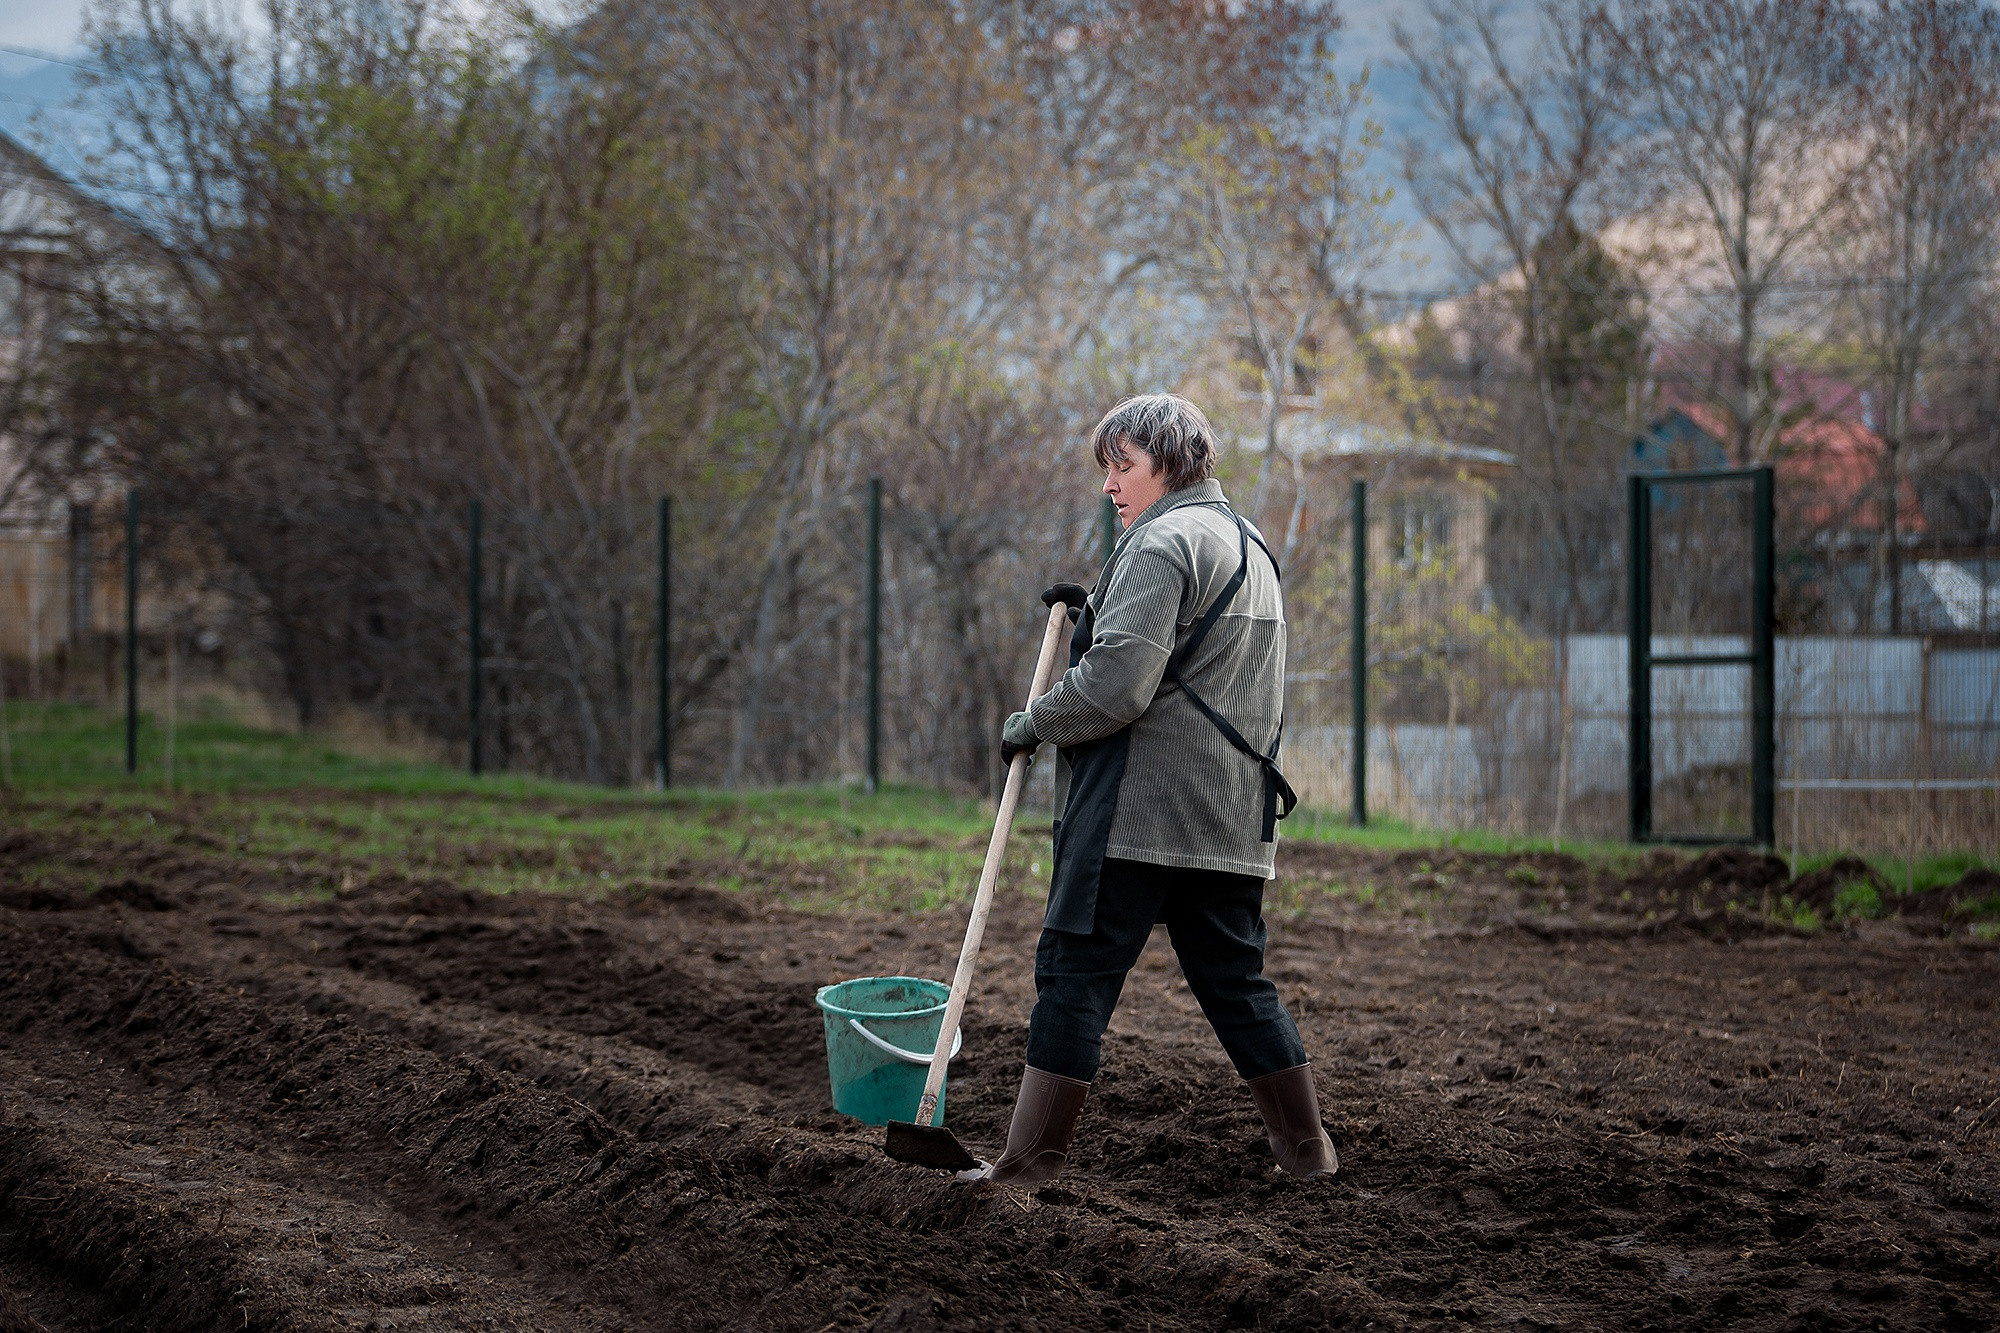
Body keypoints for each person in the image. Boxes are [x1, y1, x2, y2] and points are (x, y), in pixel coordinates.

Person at [963, 392, 1338, 1187]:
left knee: (1073, 975)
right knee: (1237, 985)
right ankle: (1310, 1155)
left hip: (1135, 818)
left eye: (1122, 466)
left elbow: (1115, 688)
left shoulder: (1159, 542)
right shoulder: (1252, 547)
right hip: (1229, 822)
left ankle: (1025, 1168)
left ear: (1168, 463)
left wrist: (1034, 720)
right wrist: (1096, 613)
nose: (1109, 485)